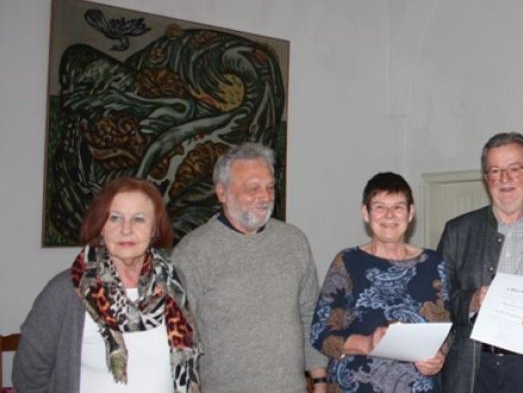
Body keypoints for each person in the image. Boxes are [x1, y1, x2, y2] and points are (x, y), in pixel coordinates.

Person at [14, 177, 199, 392]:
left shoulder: (173, 282)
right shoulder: (65, 291)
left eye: (139, 219)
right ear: (101, 227)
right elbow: (27, 377)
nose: (126, 229)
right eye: (114, 218)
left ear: (154, 230)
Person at [172, 143, 328, 392]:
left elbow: (309, 313)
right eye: (253, 188)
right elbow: (181, 337)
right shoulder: (193, 252)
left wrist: (319, 381)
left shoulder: (294, 241)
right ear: (222, 192)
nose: (265, 197)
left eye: (269, 187)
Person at [438, 132, 523, 393]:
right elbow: (438, 302)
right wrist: (471, 301)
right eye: (495, 170)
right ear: (486, 178)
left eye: (514, 168)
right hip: (473, 367)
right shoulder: (458, 231)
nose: (505, 179)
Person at [310, 172, 449, 392]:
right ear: (365, 213)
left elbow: (446, 328)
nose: (389, 216)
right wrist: (366, 344)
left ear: (411, 212)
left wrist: (439, 357)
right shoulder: (347, 262)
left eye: (398, 207)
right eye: (379, 207)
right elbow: (320, 333)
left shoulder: (433, 263)